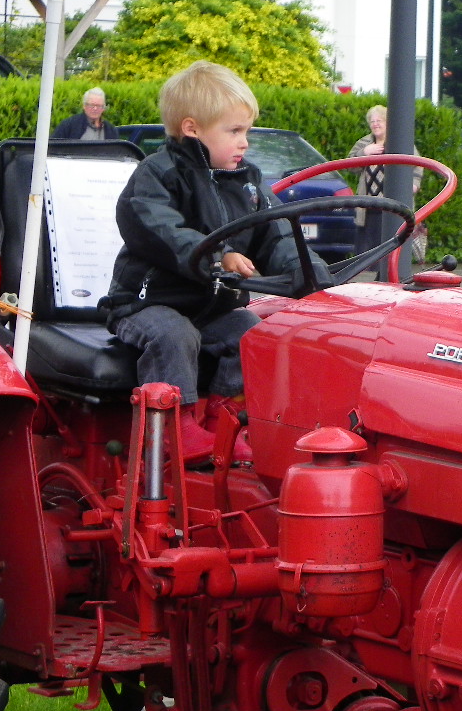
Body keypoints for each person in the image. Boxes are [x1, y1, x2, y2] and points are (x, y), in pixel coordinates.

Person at [101, 60, 326, 464]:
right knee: (174, 334)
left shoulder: (247, 182)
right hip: (147, 303)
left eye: (247, 131)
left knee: (250, 331)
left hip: (211, 308)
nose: (245, 143)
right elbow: (159, 228)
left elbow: (276, 233)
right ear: (192, 129)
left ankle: (224, 422)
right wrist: (217, 256)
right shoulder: (158, 175)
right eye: (234, 131)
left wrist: (310, 272)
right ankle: (174, 428)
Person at [347, 104, 424, 260]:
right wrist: (364, 153)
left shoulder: (399, 142)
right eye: (372, 121)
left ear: (387, 122)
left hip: (392, 206)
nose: (375, 124)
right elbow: (349, 165)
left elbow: (417, 165)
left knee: (390, 246)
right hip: (369, 206)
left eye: (379, 121)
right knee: (368, 251)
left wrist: (414, 184)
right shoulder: (364, 143)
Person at [53, 87, 120, 141]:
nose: (95, 108)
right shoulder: (69, 125)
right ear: (84, 106)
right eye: (92, 105)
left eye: (99, 106)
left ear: (103, 108)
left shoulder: (111, 130)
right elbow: (53, 147)